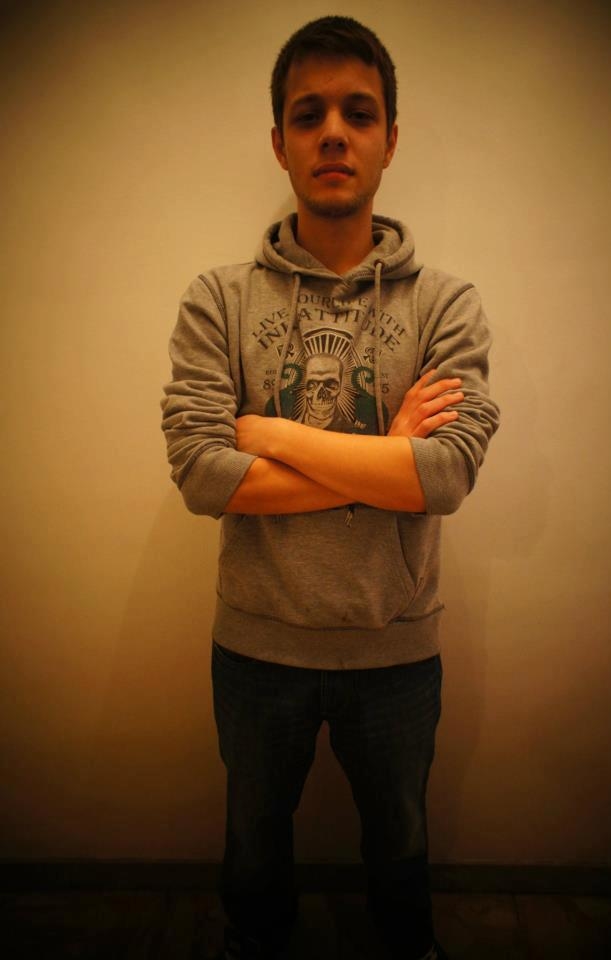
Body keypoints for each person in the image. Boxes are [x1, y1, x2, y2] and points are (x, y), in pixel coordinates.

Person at [161, 16, 499, 960]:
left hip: (396, 647)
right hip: (255, 644)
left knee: (401, 859)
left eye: (359, 112)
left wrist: (269, 435)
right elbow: (200, 473)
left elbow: (446, 474)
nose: (335, 134)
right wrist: (383, 462)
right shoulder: (218, 299)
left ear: (391, 137)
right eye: (309, 115)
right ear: (280, 142)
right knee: (253, 863)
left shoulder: (444, 303)